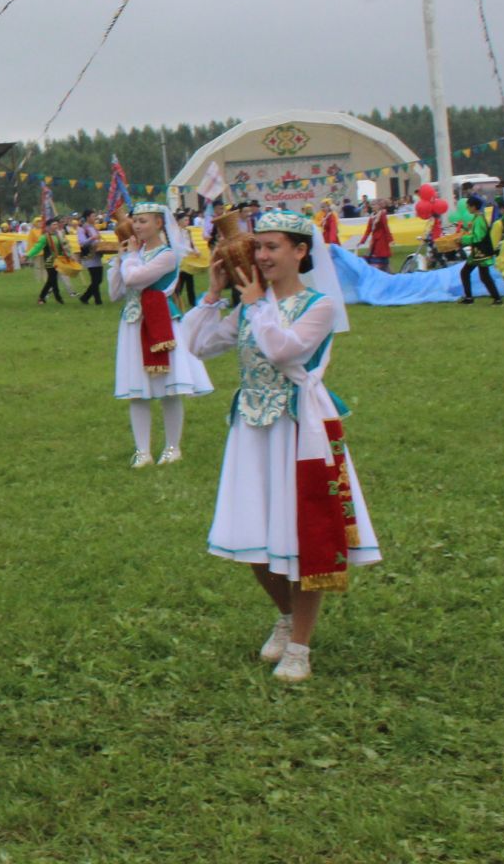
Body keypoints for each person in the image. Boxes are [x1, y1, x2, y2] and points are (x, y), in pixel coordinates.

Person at [182, 209, 380, 684]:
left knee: (303, 537)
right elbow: (197, 345)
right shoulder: (253, 304)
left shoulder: (319, 306)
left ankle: (300, 645)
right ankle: (286, 615)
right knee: (251, 538)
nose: (263, 255)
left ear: (300, 251)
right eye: (259, 246)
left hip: (299, 431)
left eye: (273, 247)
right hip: (251, 430)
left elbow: (284, 350)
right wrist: (213, 294)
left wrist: (254, 304)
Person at [107, 203, 213, 468]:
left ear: (158, 223)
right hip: (132, 321)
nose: (138, 226)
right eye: (136, 221)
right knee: (137, 391)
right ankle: (142, 451)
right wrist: (120, 260)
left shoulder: (167, 255)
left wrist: (129, 259)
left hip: (160, 322)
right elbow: (115, 292)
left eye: (143, 221)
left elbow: (135, 279)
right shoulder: (135, 252)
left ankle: (172, 447)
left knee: (169, 389)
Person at [457, 196, 503, 306]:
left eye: (468, 206)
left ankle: (497, 299)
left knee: (484, 276)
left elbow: (477, 237)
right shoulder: (477, 218)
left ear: (474, 207)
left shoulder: (479, 219)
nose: (467, 208)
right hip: (477, 253)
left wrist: (463, 239)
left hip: (482, 252)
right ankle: (469, 298)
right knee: (466, 272)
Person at [33, 219, 68, 305]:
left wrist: (68, 256)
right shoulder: (45, 237)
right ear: (48, 227)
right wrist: (27, 255)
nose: (56, 226)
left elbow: (63, 247)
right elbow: (37, 247)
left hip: (57, 260)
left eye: (56, 224)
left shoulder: (58, 235)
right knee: (52, 279)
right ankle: (54, 298)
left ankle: (49, 297)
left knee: (52, 279)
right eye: (53, 224)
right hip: (49, 260)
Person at [76, 216, 106, 305]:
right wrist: (92, 238)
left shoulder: (94, 228)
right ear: (88, 217)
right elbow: (82, 243)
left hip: (97, 255)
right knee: (96, 280)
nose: (94, 217)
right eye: (93, 216)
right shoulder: (82, 229)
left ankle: (96, 300)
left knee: (97, 280)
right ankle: (86, 297)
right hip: (89, 256)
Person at [358, 204, 395, 272]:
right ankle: (388, 274)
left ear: (379, 206)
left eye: (374, 205)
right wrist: (362, 241)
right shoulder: (372, 217)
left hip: (382, 241)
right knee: (377, 260)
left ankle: (387, 275)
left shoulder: (382, 215)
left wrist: (390, 239)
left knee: (381, 259)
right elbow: (368, 230)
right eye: (372, 205)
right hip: (374, 242)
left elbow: (386, 227)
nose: (373, 206)